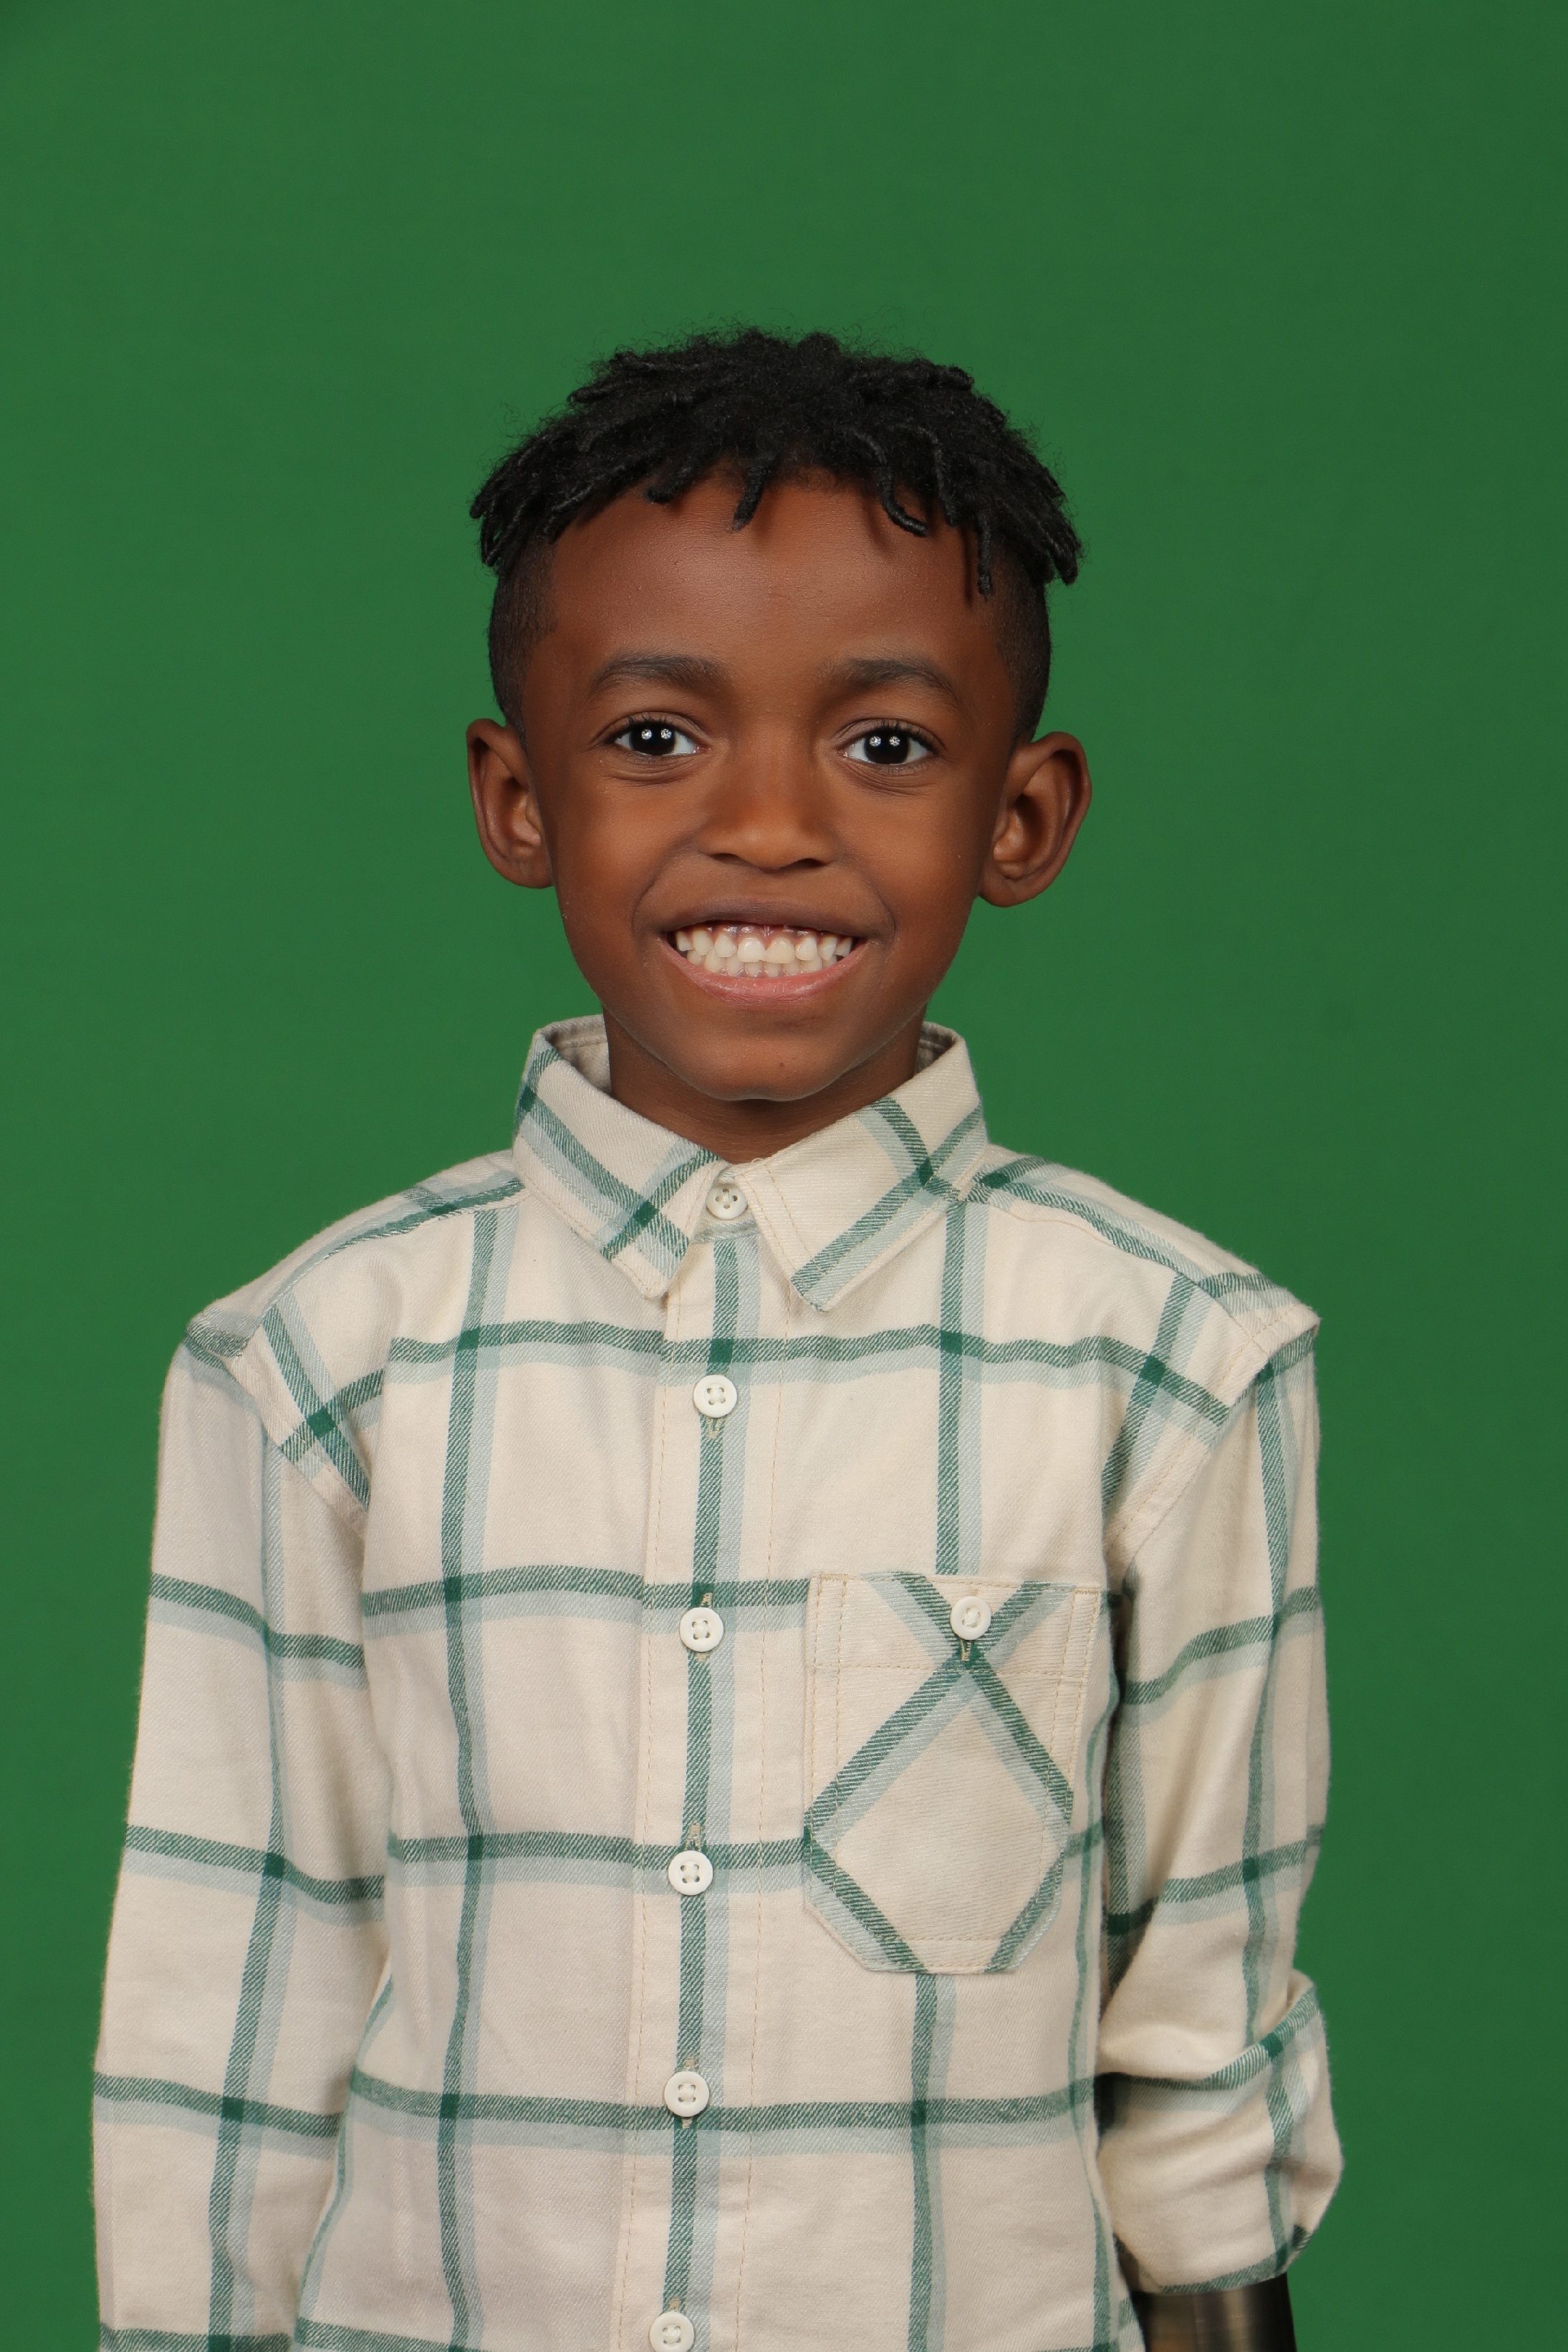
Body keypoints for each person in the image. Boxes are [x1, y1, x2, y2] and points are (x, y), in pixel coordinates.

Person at [94, 329, 1338, 2352]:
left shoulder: (1176, 1366)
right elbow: (232, 2013)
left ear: (1025, 816)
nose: (767, 823)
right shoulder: (313, 1367)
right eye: (659, 736)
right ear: (518, 797)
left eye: (887, 745)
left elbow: (1201, 2015)